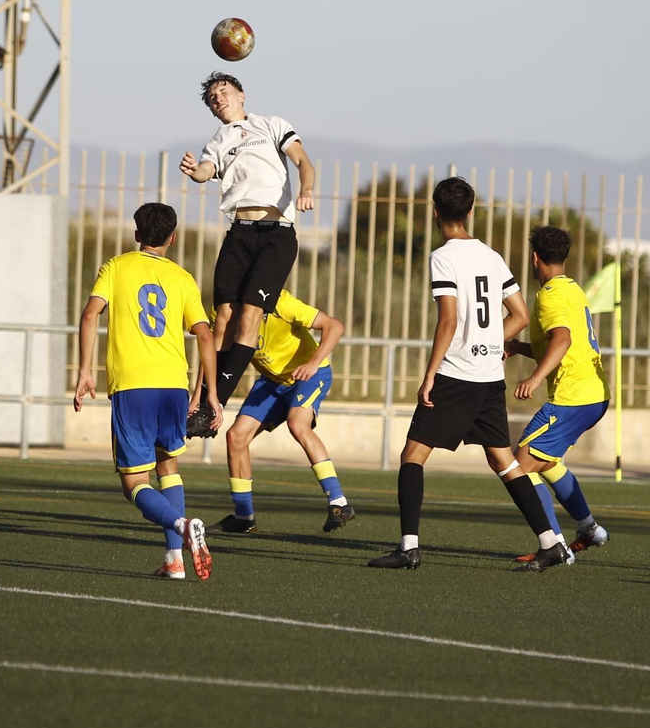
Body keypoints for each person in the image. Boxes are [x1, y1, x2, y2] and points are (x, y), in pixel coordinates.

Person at [368, 177, 572, 573]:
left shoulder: (442, 257)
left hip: (457, 374)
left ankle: (409, 548)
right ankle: (551, 542)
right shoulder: (492, 256)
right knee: (505, 462)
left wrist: (430, 375)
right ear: (471, 211)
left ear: (436, 211)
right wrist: (490, 344)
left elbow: (448, 320)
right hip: (489, 376)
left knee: (413, 456)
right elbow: (521, 316)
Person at [75, 202, 223, 580]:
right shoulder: (183, 278)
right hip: (173, 385)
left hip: (133, 386)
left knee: (134, 484)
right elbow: (205, 334)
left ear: (137, 234)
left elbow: (91, 314)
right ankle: (174, 561)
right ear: (173, 238)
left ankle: (181, 527)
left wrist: (84, 371)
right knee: (168, 467)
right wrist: (208, 392)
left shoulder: (116, 266)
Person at [179, 71, 315, 416]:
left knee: (249, 317)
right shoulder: (218, 140)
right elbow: (206, 172)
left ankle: (214, 405)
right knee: (221, 318)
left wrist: (307, 189)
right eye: (212, 97)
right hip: (239, 232)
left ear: (242, 94)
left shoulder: (270, 124)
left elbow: (302, 161)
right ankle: (200, 401)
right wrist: (195, 170)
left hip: (276, 233)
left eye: (223, 90)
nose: (218, 98)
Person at [209, 290, 354, 534]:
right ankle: (244, 516)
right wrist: (207, 398)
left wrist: (313, 362)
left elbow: (334, 326)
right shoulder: (223, 312)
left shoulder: (279, 302)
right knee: (236, 437)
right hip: (272, 381)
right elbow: (216, 356)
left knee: (298, 424)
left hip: (309, 375)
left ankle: (339, 503)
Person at [506, 226, 610, 561]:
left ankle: (556, 547)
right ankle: (589, 529)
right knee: (545, 460)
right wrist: (520, 348)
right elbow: (562, 344)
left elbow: (562, 340)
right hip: (594, 394)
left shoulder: (549, 293)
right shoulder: (572, 289)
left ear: (535, 258)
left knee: (520, 466)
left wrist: (535, 379)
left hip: (573, 396)